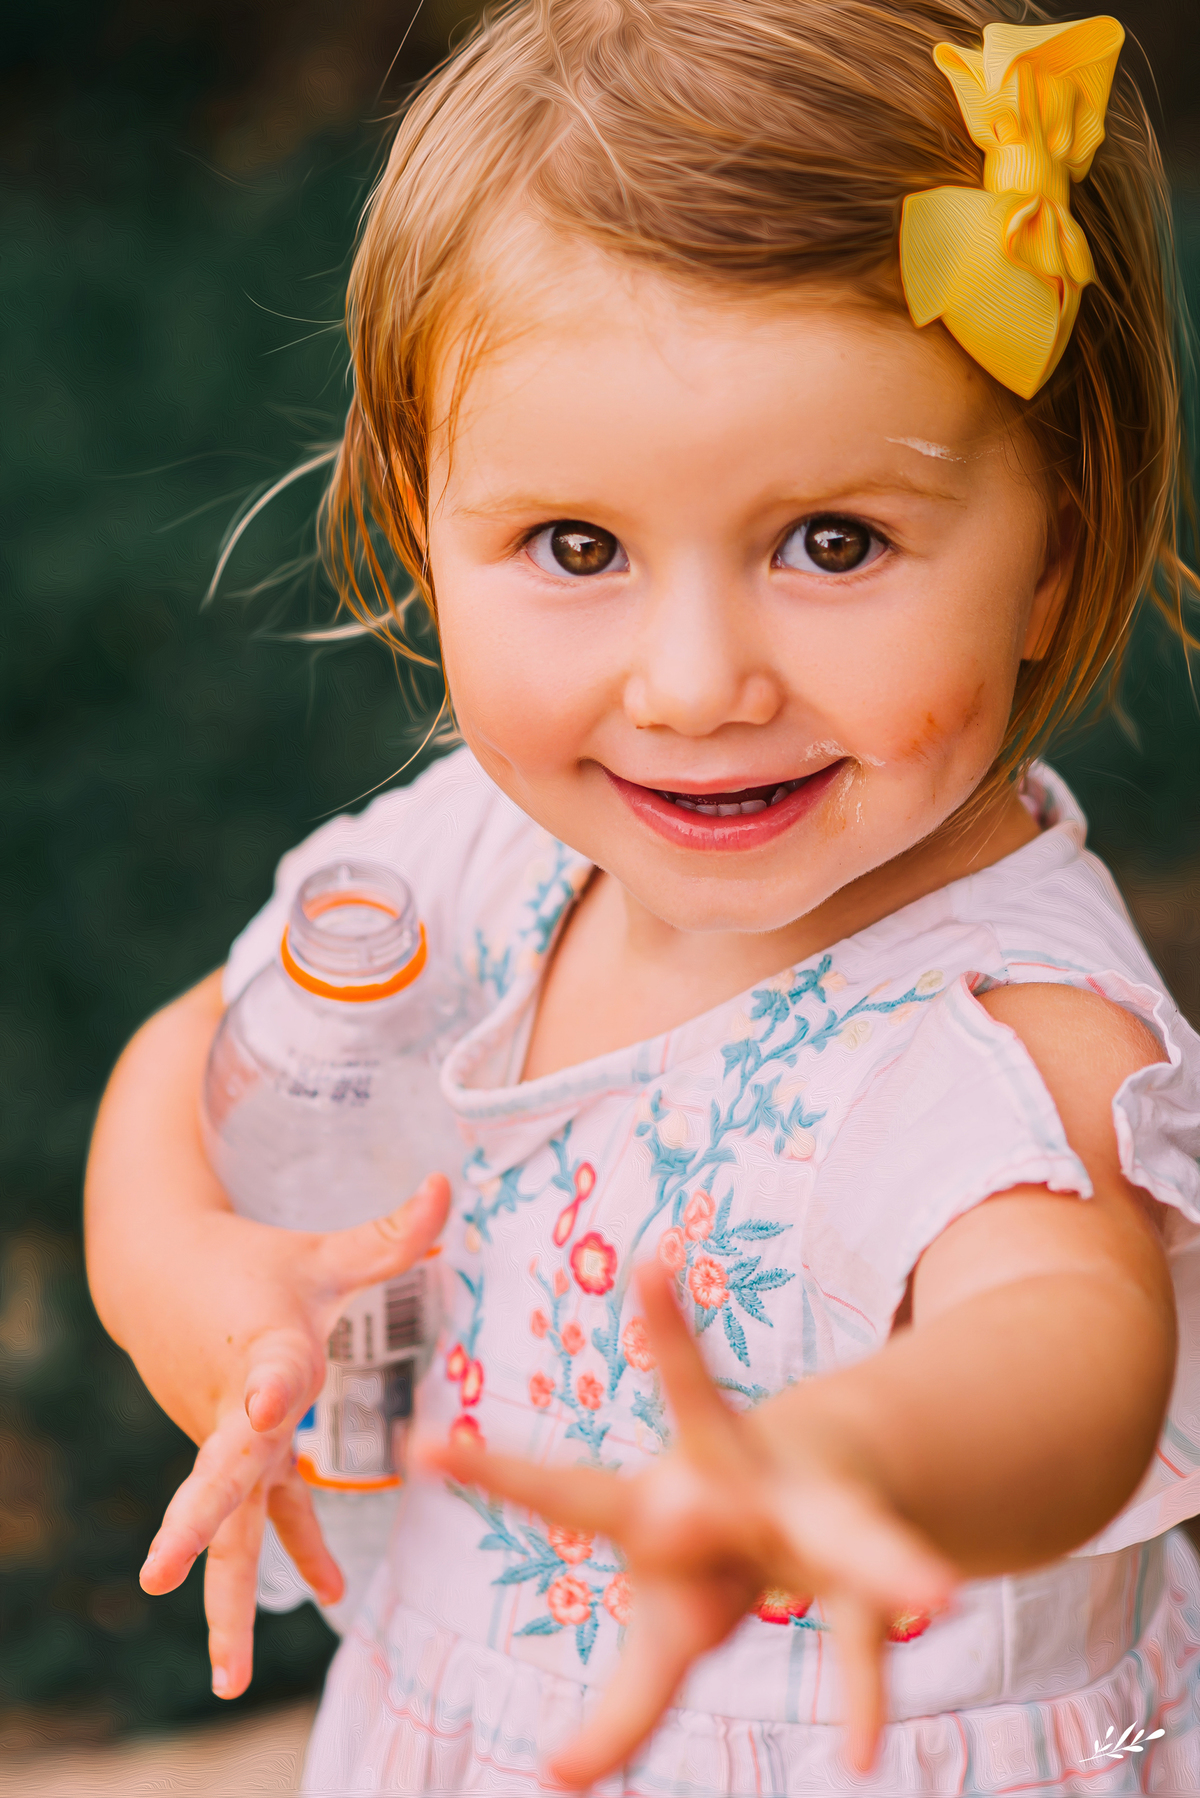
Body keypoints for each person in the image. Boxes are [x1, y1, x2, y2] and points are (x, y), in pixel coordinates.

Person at [84, 1, 1200, 1790]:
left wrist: (847, 1469)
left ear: (1055, 548)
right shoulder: (472, 855)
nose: (694, 683)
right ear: (417, 511)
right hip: (471, 1723)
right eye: (577, 548)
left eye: (831, 543)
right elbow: (184, 1067)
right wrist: (204, 1288)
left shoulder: (999, 1030)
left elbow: (1076, 1352)